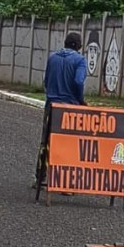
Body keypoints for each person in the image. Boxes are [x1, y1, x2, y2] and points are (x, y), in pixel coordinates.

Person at [36, 32, 89, 186]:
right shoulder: (80, 60)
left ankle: (41, 177)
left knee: (46, 141)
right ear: (79, 46)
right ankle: (65, 181)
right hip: (70, 107)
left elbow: (46, 81)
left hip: (52, 105)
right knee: (69, 143)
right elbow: (78, 81)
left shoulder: (52, 58)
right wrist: (80, 100)